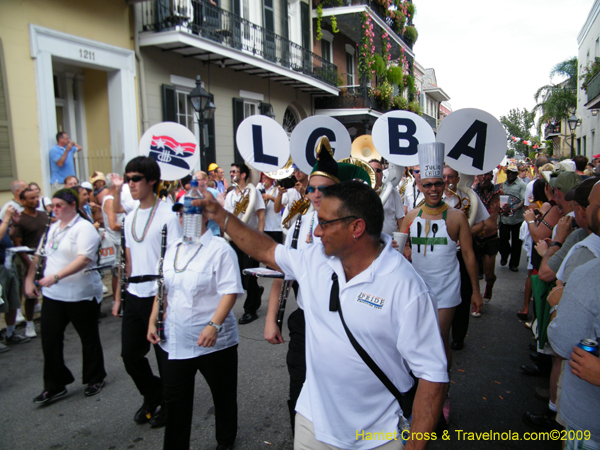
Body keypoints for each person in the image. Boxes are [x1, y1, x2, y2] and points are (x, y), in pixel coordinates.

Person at [197, 180, 448, 450]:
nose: (316, 232)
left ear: (356, 228)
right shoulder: (315, 260)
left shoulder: (408, 289)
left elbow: (432, 376)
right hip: (311, 426)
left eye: (325, 223)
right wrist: (220, 215)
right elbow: (267, 250)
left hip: (381, 437)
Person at [264, 140, 374, 433]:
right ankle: (302, 436)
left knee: (345, 387)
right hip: (306, 319)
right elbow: (282, 270)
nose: (313, 194)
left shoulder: (352, 224)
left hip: (345, 319)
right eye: (310, 188)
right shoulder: (299, 224)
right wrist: (271, 319)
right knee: (298, 382)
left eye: (321, 189)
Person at [147, 205, 243, 450]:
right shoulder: (172, 250)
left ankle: (225, 441)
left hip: (213, 341)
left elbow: (230, 290)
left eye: (191, 212)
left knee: (223, 396)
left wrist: (213, 325)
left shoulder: (220, 248)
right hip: (175, 339)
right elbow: (162, 289)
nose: (184, 217)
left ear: (205, 217)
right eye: (180, 213)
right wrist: (152, 320)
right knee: (175, 401)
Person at [402, 144, 482, 427]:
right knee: (414, 344)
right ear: (420, 185)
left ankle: (439, 398)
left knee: (437, 342)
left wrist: (475, 291)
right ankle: (418, 395)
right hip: (418, 292)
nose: (434, 189)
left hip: (447, 290)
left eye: (439, 183)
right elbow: (398, 255)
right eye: (428, 184)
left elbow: (470, 256)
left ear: (445, 182)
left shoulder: (457, 217)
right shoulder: (410, 217)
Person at [112, 156, 182, 427]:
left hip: (160, 293)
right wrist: (119, 296)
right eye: (128, 178)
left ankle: (169, 403)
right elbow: (127, 260)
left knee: (163, 356)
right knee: (130, 355)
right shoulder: (130, 218)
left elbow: (175, 260)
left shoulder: (168, 214)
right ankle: (153, 394)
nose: (130, 184)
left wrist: (166, 297)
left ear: (152, 180)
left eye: (136, 179)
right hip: (134, 293)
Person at [25, 189, 106, 404]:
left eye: (59, 205)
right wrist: (29, 279)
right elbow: (39, 256)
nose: (55, 209)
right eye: (53, 205)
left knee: (88, 338)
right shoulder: (51, 229)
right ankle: (55, 384)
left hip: (80, 293)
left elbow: (84, 259)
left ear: (72, 205)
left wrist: (56, 276)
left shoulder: (84, 228)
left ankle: (95, 378)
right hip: (54, 294)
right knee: (50, 339)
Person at [441, 166, 488, 352]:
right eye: (443, 176)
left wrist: (463, 233)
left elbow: (483, 223)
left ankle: (458, 336)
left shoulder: (469, 197)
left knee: (463, 292)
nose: (446, 180)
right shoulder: (433, 198)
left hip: (461, 251)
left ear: (457, 179)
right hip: (441, 253)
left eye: (450, 176)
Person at [224, 162, 265, 325]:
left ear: (243, 175)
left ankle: (250, 310)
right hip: (234, 239)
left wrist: (259, 239)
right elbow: (227, 217)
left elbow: (261, 217)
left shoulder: (254, 193)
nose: (232, 173)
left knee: (249, 275)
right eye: (231, 171)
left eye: (235, 171)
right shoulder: (230, 195)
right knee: (240, 277)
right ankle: (256, 292)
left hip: (250, 238)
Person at [14, 188, 50, 338]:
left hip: (47, 259)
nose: (36, 200)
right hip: (30, 260)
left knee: (49, 291)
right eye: (31, 198)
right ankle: (29, 324)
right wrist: (29, 264)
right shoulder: (20, 219)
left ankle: (47, 321)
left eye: (36, 197)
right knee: (30, 295)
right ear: (23, 201)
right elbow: (17, 244)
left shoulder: (43, 215)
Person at [0, 205, 31, 354]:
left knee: (13, 300)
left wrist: (14, 224)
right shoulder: (3, 219)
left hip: (8, 262)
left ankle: (10, 333)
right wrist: (6, 218)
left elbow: (8, 236)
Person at [473, 171, 501, 304]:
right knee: (473, 274)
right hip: (475, 237)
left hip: (490, 237)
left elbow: (507, 211)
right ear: (477, 176)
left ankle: (489, 285)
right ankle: (476, 296)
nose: (484, 177)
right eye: (481, 174)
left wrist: (505, 209)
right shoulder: (471, 193)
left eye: (488, 174)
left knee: (489, 275)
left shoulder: (499, 192)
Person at [100, 174, 126, 308]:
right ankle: (117, 301)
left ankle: (119, 299)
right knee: (118, 272)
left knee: (120, 271)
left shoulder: (110, 198)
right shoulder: (110, 200)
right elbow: (113, 224)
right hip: (116, 241)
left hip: (119, 240)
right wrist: (131, 225)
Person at [499, 164, 527, 272]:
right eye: (509, 173)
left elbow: (523, 200)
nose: (511, 175)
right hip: (504, 218)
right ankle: (504, 255)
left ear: (517, 174)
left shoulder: (522, 185)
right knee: (502, 240)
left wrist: (515, 209)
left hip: (517, 218)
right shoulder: (502, 185)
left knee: (517, 242)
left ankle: (514, 264)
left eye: (513, 173)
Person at [369, 159, 404, 235]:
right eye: (371, 169)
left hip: (390, 241)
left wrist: (403, 242)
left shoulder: (393, 192)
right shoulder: (361, 192)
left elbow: (401, 219)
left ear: (382, 174)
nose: (374, 173)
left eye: (378, 170)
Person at [257, 172, 282, 244]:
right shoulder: (259, 189)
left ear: (271, 179)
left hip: (275, 226)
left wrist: (270, 197)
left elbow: (281, 203)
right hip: (264, 226)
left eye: (266, 178)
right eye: (262, 178)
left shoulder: (277, 189)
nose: (264, 180)